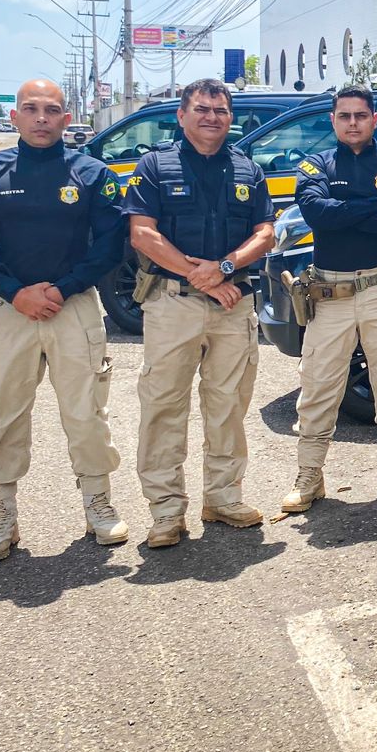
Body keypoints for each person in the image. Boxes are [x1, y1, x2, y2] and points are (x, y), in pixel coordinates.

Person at [0, 79, 127, 562]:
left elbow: (111, 245)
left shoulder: (93, 174)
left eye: (52, 110)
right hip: (9, 310)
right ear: (15, 118)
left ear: (68, 119)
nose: (42, 118)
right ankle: (0, 514)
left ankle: (98, 503)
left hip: (74, 308)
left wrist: (61, 289)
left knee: (86, 411)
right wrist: (16, 292)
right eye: (31, 109)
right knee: (2, 413)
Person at [125, 78, 275, 548]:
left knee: (228, 405)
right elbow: (142, 234)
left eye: (221, 111)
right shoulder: (153, 166)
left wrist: (226, 268)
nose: (212, 117)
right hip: (174, 304)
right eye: (203, 109)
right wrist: (204, 277)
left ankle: (224, 496)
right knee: (164, 406)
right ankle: (166, 511)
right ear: (182, 115)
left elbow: (266, 233)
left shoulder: (249, 169)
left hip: (233, 305)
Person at [281, 85, 377, 514]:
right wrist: (372, 206)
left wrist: (345, 209)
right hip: (330, 293)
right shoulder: (316, 164)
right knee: (319, 384)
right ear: (333, 120)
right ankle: (310, 473)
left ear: (374, 119)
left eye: (360, 116)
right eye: (344, 116)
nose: (352, 123)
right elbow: (316, 214)